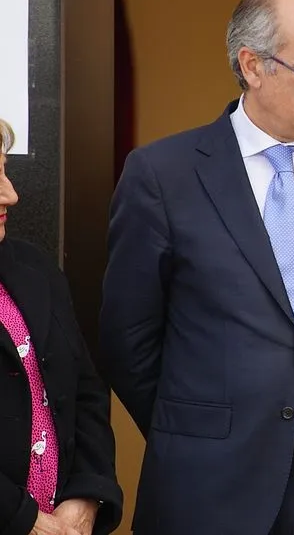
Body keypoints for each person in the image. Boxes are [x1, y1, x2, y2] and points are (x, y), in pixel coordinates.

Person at [99, 0, 294, 535]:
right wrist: (202, 425)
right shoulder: (163, 176)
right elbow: (128, 339)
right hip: (204, 482)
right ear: (252, 65)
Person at [0, 119, 122, 535]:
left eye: (4, 170)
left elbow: (85, 390)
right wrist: (27, 522)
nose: (10, 194)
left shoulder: (34, 267)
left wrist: (87, 498)